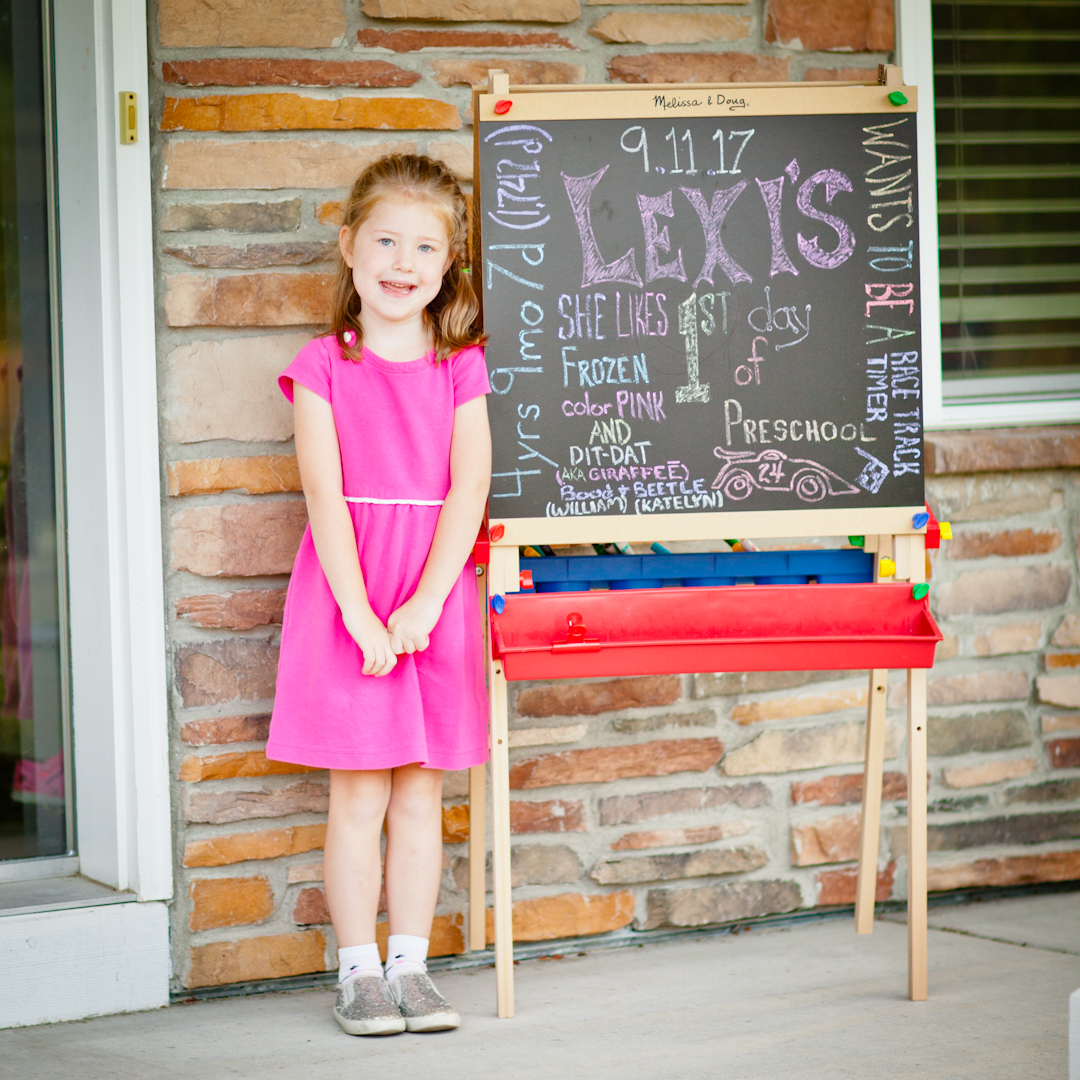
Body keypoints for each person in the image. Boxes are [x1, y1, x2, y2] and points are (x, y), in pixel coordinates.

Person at [266, 154, 491, 1036]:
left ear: (447, 265)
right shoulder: (323, 365)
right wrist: (359, 611)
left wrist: (430, 602)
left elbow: (468, 490)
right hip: (350, 590)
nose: (404, 262)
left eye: (425, 247)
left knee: (421, 795)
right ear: (350, 244)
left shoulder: (459, 366)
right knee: (358, 794)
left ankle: (413, 966)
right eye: (387, 240)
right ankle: (358, 972)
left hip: (433, 589)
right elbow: (324, 495)